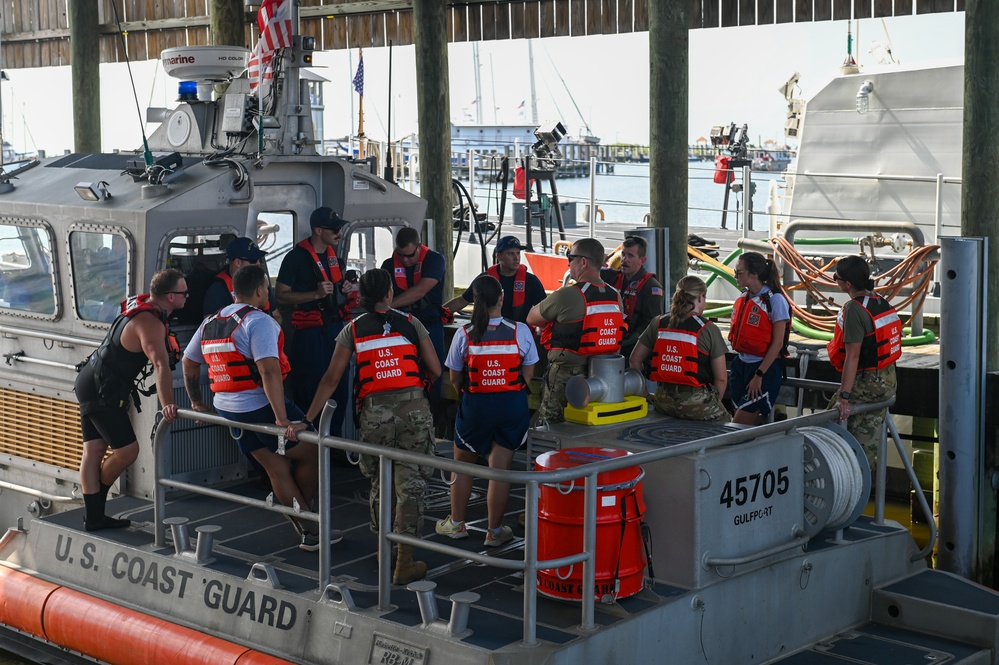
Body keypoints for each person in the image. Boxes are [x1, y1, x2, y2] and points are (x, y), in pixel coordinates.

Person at [286, 268, 441, 585]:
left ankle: (385, 553)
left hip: (374, 416)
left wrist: (307, 419)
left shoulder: (352, 330)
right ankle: (405, 562)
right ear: (389, 293)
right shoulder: (412, 324)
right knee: (409, 486)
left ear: (363, 297)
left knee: (381, 485)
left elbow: (331, 379)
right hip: (414, 412)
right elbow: (436, 370)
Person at [182, 265, 340, 551]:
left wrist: (195, 401)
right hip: (259, 406)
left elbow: (189, 362)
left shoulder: (210, 322)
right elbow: (269, 372)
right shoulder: (259, 322)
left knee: (276, 467)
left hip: (228, 409)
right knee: (317, 449)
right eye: (267, 288)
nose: (268, 292)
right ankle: (305, 521)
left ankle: (306, 525)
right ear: (259, 290)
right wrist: (281, 418)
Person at [75, 269, 186, 531]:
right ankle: (96, 507)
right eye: (184, 292)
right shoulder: (150, 322)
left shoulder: (145, 308)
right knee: (127, 452)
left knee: (94, 450)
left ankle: (94, 516)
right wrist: (168, 403)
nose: (188, 296)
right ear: (170, 296)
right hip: (102, 390)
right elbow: (160, 365)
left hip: (90, 380)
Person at [437, 274, 538, 546]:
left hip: (476, 406)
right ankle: (494, 532)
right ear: (502, 298)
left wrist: (474, 396)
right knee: (500, 469)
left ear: (475, 300)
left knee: (463, 467)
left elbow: (455, 377)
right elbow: (528, 372)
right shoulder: (521, 331)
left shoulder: (464, 334)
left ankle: (456, 524)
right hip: (511, 406)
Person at [526, 238, 624, 424]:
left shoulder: (568, 294)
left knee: (553, 427)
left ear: (583, 262)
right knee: (588, 427)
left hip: (567, 376)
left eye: (570, 257)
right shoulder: (615, 296)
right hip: (602, 376)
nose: (569, 263)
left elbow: (532, 318)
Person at [276, 207, 349, 436]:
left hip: (336, 331)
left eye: (340, 228)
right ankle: (310, 447)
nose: (339, 233)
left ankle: (335, 447)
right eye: (335, 229)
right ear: (318, 230)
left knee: (339, 390)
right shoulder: (295, 258)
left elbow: (335, 291)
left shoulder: (334, 258)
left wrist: (345, 289)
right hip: (311, 335)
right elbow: (280, 295)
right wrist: (314, 295)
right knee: (311, 388)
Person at [826, 255, 901, 470]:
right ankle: (860, 483)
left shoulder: (854, 309)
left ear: (847, 284)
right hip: (888, 384)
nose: (836, 281)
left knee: (823, 428)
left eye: (836, 278)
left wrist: (844, 397)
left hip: (867, 383)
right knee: (865, 445)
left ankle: (834, 477)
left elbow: (853, 356)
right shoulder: (880, 301)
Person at [630, 276, 730, 423]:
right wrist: (713, 403)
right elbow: (721, 378)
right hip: (697, 404)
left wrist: (645, 394)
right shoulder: (708, 329)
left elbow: (634, 360)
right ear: (701, 298)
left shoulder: (658, 322)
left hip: (663, 400)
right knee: (728, 422)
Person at [727, 251, 791, 425]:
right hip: (741, 365)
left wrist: (759, 375)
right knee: (739, 421)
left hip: (762, 368)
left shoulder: (775, 300)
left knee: (737, 426)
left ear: (754, 274)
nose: (736, 276)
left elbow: (777, 343)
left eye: (739, 273)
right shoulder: (745, 297)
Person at [379, 226, 447, 382]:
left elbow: (419, 292)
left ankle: (432, 406)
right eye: (400, 255)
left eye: (409, 255)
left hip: (429, 327)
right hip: (401, 329)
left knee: (434, 374)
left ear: (419, 246)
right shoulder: (388, 266)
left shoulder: (435, 260)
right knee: (403, 375)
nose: (405, 260)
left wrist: (388, 307)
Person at [443, 235, 546, 323]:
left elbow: (545, 309)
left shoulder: (531, 281)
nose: (516, 258)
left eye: (518, 253)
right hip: (488, 332)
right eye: (511, 254)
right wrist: (438, 314)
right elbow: (462, 301)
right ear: (499, 256)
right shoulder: (485, 279)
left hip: (519, 334)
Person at [601, 236, 664, 360]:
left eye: (630, 256)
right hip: (610, 343)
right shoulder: (613, 277)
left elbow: (651, 325)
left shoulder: (651, 287)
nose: (625, 259)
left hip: (633, 350)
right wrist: (598, 261)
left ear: (642, 260)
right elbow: (587, 272)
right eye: (623, 254)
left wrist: (624, 343)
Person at [203, 236, 278, 319]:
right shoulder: (217, 291)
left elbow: (276, 316)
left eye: (259, 259)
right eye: (253, 260)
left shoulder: (262, 284)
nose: (258, 263)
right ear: (238, 262)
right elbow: (210, 327)